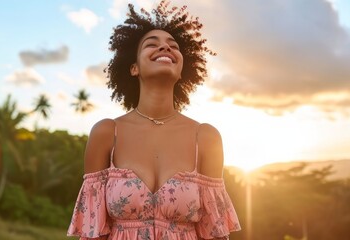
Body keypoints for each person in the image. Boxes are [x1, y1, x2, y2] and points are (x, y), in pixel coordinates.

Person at [67, 1, 241, 239]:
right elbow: (92, 233)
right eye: (152, 44)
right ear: (134, 68)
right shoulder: (107, 133)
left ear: (181, 70)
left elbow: (215, 233)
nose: (165, 48)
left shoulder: (206, 137)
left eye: (173, 46)